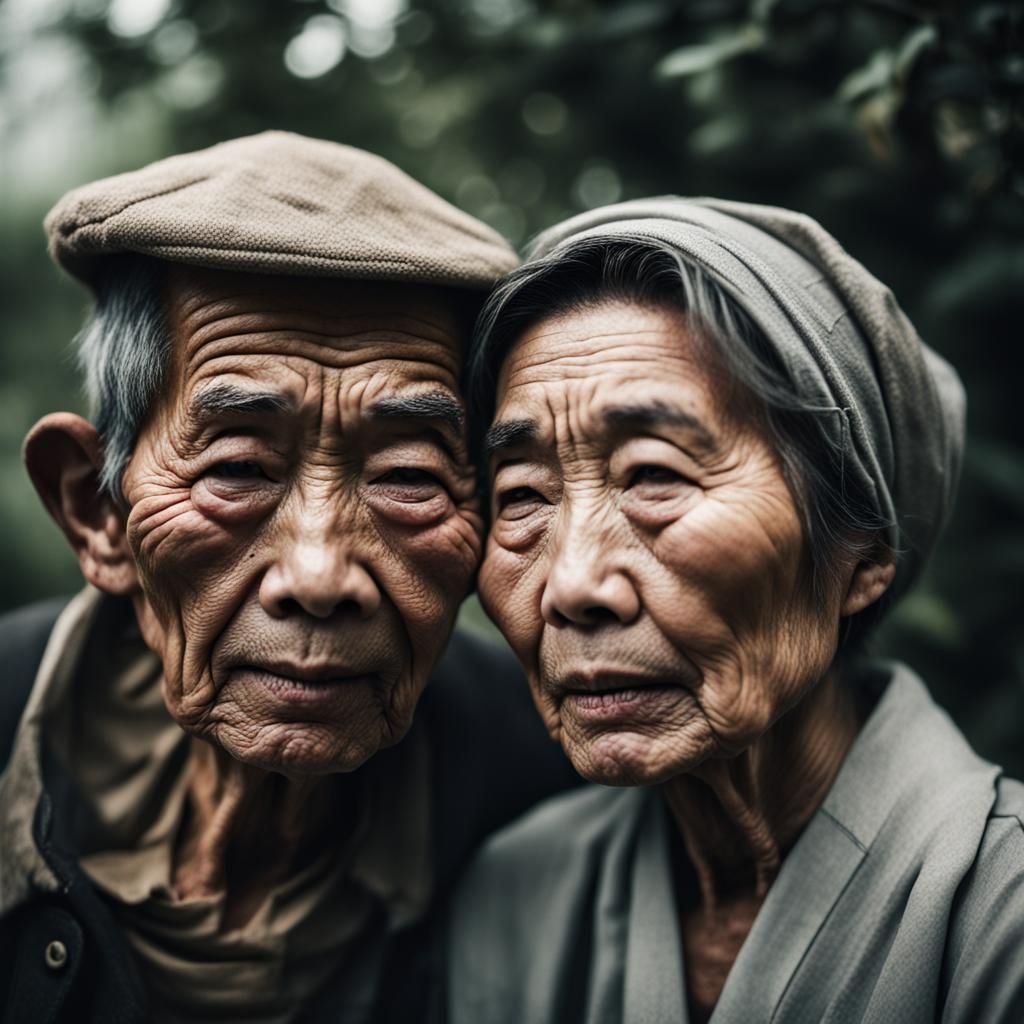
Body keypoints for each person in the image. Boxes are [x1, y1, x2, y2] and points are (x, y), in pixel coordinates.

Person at [0, 131, 576, 1024]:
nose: (319, 573)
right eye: (237, 470)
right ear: (97, 510)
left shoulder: (545, 774)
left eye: (409, 478)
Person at [448, 198, 1024, 1023]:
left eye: (656, 476)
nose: (573, 585)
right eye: (522, 495)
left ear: (859, 557)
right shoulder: (514, 899)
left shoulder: (1000, 920)